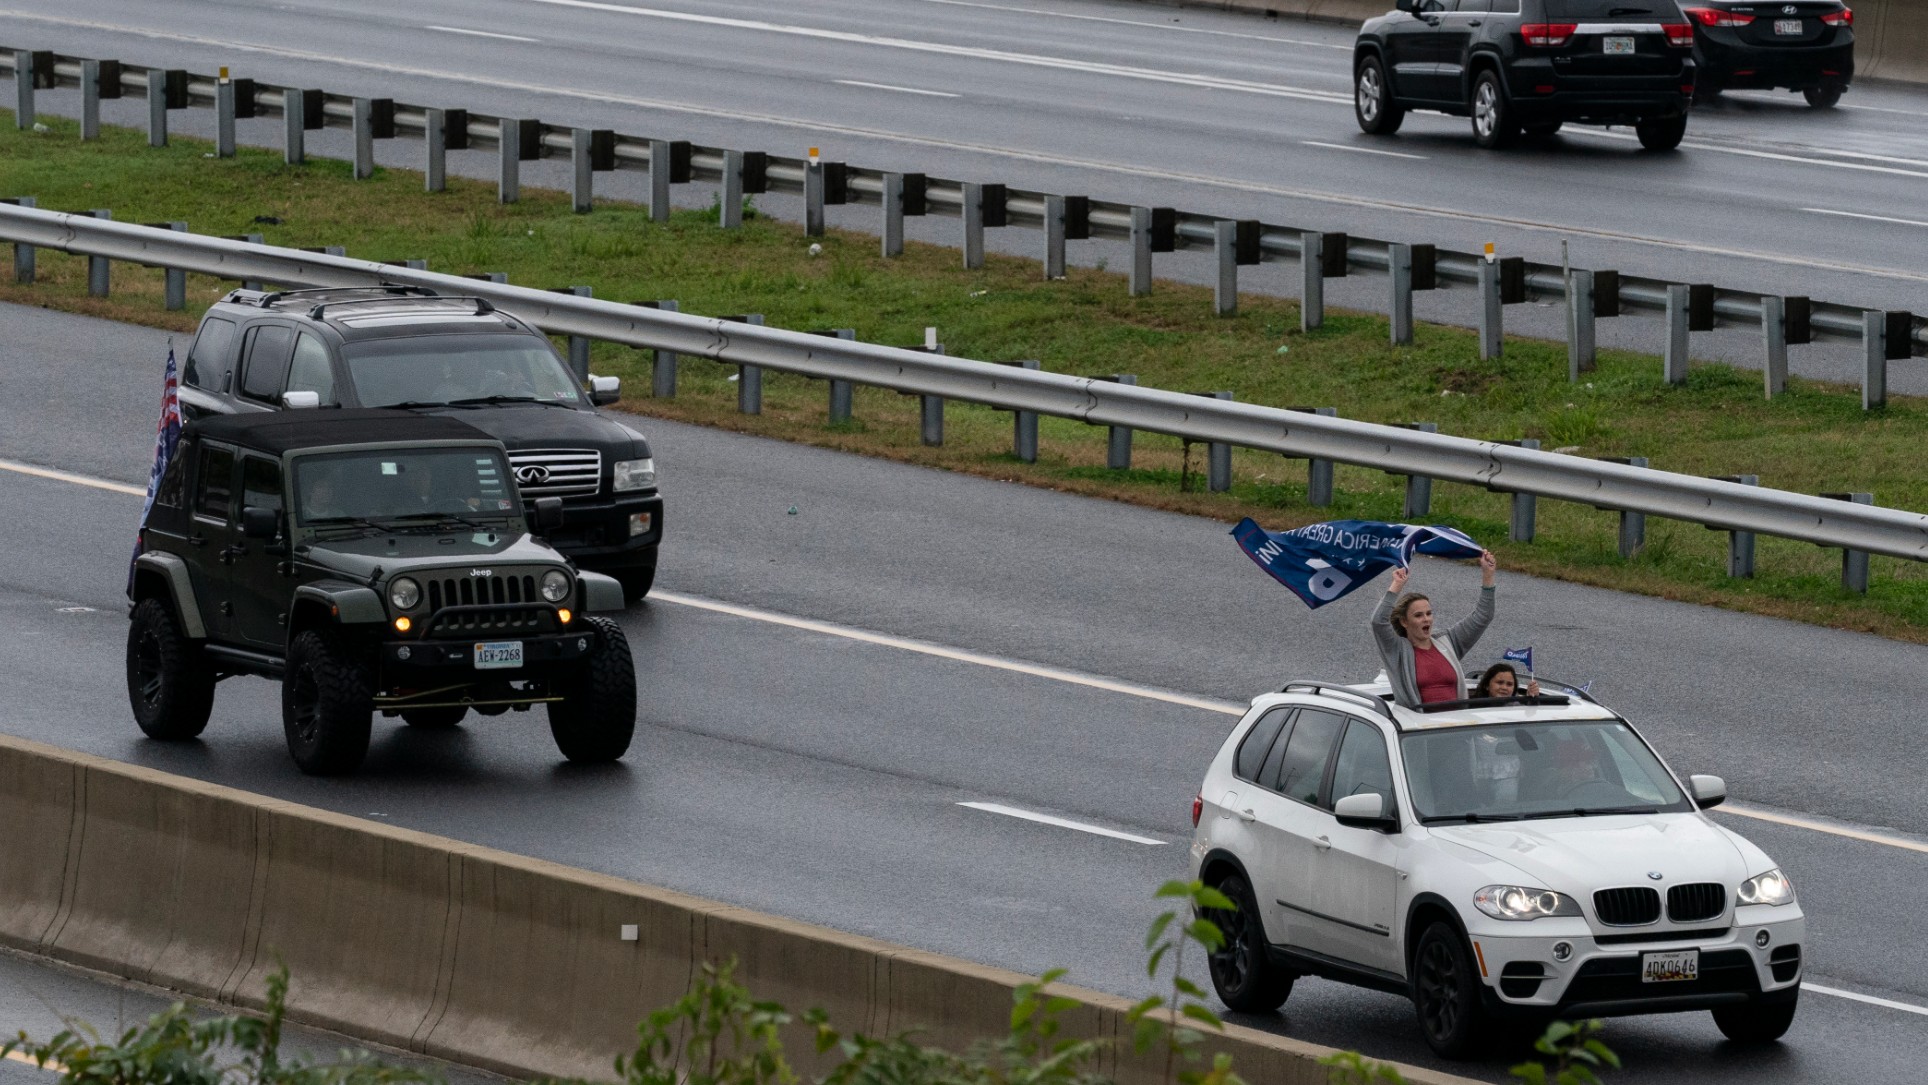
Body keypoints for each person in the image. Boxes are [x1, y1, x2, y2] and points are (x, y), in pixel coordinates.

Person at [1369, 552, 1498, 708]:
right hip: (1419, 728)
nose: (1426, 619)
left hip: (1455, 726)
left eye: (1429, 613)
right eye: (1418, 615)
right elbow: (1378, 621)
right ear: (1404, 621)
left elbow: (1483, 616)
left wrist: (1488, 575)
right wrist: (1396, 585)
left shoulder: (1448, 642)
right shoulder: (1397, 650)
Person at [1473, 662, 1541, 701]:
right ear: (1486, 685)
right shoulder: (1470, 708)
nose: (1504, 688)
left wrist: (1531, 700)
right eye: (1500, 682)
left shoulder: (1520, 710)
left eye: (1509, 684)